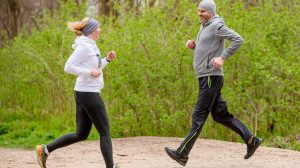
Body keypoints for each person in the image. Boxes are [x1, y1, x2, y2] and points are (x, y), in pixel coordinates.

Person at [164, 0, 261, 166]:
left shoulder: (217, 25)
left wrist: (222, 57)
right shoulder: (204, 25)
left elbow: (238, 39)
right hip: (206, 77)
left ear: (211, 12)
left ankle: (182, 153)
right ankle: (251, 140)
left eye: (203, 11)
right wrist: (195, 45)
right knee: (220, 115)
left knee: (198, 116)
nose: (199, 13)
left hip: (211, 76)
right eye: (198, 10)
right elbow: (209, 47)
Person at [36, 17, 119, 168]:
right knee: (105, 133)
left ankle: (45, 150)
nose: (100, 30)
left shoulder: (91, 45)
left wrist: (107, 59)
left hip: (82, 92)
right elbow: (68, 66)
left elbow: (96, 66)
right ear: (91, 30)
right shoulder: (84, 47)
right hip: (89, 93)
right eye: (98, 28)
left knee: (81, 134)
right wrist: (88, 72)